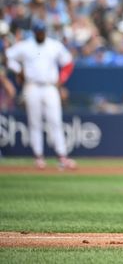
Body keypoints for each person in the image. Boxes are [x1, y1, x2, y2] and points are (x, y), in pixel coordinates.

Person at [4, 20, 76, 170]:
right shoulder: (26, 45)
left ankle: (62, 156)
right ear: (34, 32)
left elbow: (69, 63)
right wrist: (19, 70)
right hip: (32, 86)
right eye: (38, 31)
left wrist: (61, 80)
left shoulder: (54, 45)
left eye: (42, 31)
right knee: (34, 122)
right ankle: (38, 157)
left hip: (50, 87)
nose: (41, 34)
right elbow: (7, 57)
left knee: (55, 121)